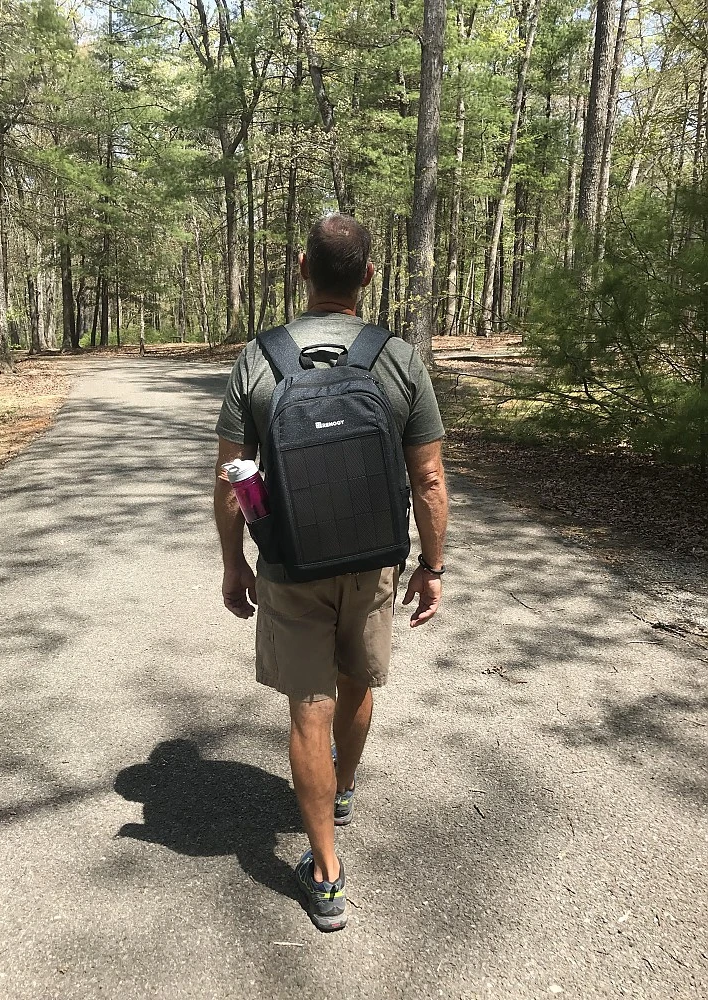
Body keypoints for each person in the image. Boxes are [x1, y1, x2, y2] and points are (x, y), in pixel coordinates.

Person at [214, 214, 448, 931]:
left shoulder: (259, 359)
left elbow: (233, 477)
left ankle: (325, 872)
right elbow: (429, 478)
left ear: (301, 267)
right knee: (357, 682)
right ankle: (342, 787)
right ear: (369, 276)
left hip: (290, 564)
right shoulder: (398, 359)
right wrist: (432, 566)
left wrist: (234, 565)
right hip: (374, 562)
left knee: (307, 708)